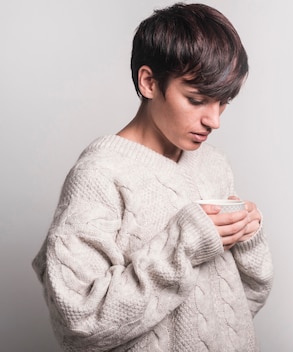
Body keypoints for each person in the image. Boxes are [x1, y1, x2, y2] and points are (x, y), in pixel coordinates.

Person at [31, 3, 273, 351]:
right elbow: (79, 322)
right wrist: (185, 242)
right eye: (197, 99)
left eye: (223, 104)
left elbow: (239, 304)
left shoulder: (214, 164)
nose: (214, 120)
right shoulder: (99, 174)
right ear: (149, 82)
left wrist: (249, 239)